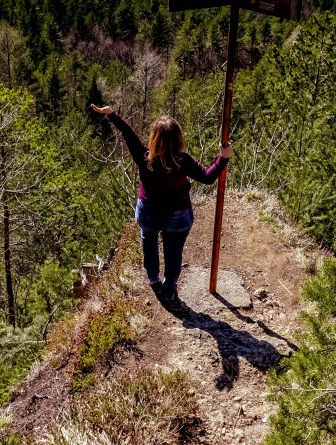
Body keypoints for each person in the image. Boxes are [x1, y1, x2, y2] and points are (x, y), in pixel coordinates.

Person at [90, 103, 231, 303]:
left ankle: (153, 279)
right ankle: (170, 286)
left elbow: (127, 133)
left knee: (148, 238)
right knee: (173, 249)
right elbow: (207, 178)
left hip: (148, 211)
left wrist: (112, 114)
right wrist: (222, 159)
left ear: (154, 138)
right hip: (178, 214)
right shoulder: (183, 160)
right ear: (178, 138)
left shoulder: (145, 157)